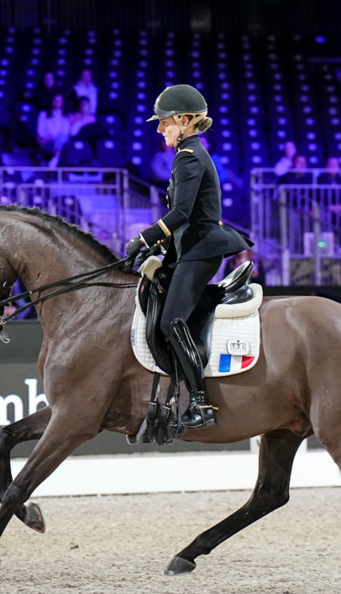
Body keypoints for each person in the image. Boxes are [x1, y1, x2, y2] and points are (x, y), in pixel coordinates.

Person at [123, 84, 251, 430]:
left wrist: (143, 237)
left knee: (171, 322)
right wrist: (159, 250)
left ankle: (200, 402)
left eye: (164, 122)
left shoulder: (189, 157)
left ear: (183, 120)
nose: (159, 128)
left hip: (201, 249)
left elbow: (181, 213)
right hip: (190, 246)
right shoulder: (188, 154)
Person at [37, 93, 71, 166]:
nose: (57, 103)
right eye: (55, 100)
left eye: (60, 101)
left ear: (62, 102)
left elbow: (66, 132)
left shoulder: (66, 116)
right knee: (61, 148)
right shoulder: (44, 114)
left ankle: (56, 157)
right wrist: (50, 138)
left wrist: (56, 139)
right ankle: (57, 157)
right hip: (48, 141)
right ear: (52, 101)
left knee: (63, 141)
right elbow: (41, 132)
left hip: (61, 142)